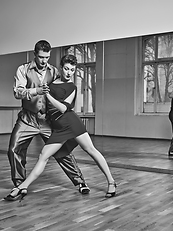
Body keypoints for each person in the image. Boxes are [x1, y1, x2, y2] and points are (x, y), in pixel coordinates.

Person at [7, 54, 117, 201]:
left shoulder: (72, 87)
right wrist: (41, 92)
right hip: (57, 128)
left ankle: (111, 182)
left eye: (72, 70)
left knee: (91, 150)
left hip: (72, 124)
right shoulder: (51, 83)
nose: (68, 72)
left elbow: (64, 108)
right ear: (61, 67)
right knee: (43, 156)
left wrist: (47, 95)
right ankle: (22, 187)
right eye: (66, 68)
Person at [4, 40, 89, 201]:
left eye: (47, 57)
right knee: (14, 149)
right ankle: (20, 185)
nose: (44, 61)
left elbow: (64, 89)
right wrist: (36, 90)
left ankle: (80, 182)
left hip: (47, 120)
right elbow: (17, 92)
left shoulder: (55, 71)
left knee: (61, 150)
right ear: (35, 54)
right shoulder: (23, 70)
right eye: (41, 57)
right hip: (27, 118)